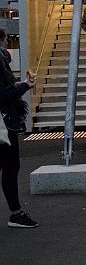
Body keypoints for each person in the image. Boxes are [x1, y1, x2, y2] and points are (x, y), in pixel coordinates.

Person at [0, 29, 37, 228]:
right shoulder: (0, 60)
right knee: (10, 167)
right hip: (3, 126)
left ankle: (16, 213)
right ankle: (16, 213)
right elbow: (3, 95)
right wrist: (25, 86)